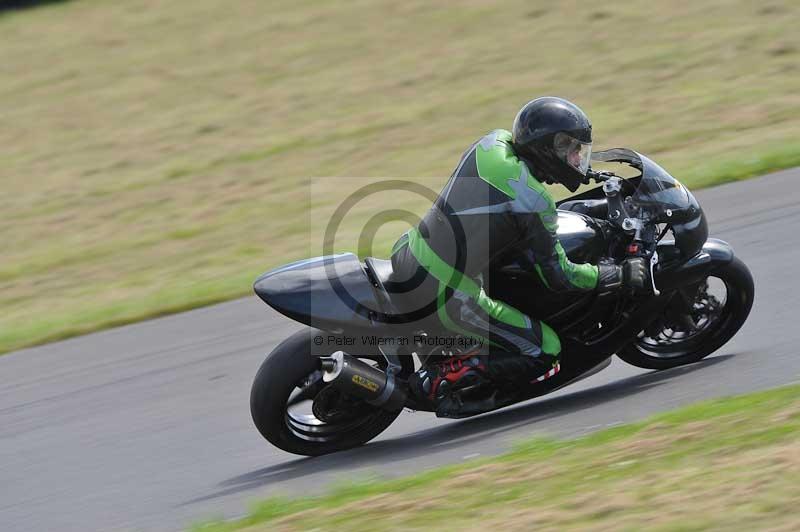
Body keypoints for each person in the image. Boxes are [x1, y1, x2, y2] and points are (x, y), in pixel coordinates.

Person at [389, 96, 647, 417]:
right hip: (445, 290)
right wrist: (616, 275)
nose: (577, 158)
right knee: (545, 350)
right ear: (547, 149)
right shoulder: (533, 201)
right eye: (571, 151)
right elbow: (560, 277)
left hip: (410, 250)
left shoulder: (491, 143)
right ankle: (434, 381)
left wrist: (590, 173)